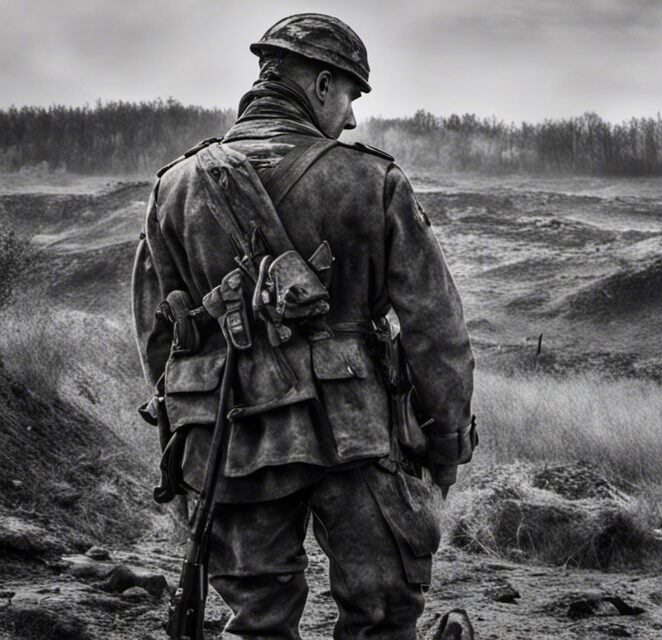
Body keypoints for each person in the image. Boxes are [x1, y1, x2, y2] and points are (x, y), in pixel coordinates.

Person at [131, 13, 475, 639]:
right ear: (320, 84)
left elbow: (162, 339)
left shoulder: (174, 188)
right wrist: (446, 445)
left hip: (227, 437)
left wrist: (185, 437)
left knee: (257, 622)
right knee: (380, 619)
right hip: (356, 435)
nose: (352, 119)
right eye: (349, 95)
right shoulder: (373, 181)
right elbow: (436, 329)